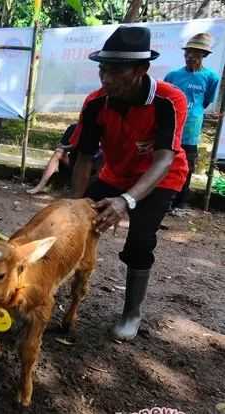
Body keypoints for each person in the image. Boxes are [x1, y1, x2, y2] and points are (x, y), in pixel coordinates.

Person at [70, 26, 188, 341]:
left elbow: (164, 159)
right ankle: (65, 296)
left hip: (161, 178)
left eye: (116, 71)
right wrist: (72, 206)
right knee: (71, 220)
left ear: (141, 70)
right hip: (115, 175)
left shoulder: (169, 99)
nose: (105, 78)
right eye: (102, 70)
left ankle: (132, 313)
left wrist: (125, 201)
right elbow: (83, 159)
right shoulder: (96, 103)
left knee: (139, 239)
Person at [164, 32, 220, 212]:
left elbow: (206, 101)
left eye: (195, 53)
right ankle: (164, 201)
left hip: (191, 129)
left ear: (204, 55)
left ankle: (180, 202)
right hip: (171, 127)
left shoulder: (211, 77)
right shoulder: (173, 76)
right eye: (187, 53)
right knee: (165, 163)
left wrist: (192, 112)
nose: (190, 57)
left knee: (186, 166)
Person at [28, 124, 103, 194]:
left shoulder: (102, 131)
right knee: (58, 152)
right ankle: (41, 185)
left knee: (101, 161)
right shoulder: (74, 128)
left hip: (94, 167)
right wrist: (62, 148)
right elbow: (64, 146)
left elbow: (74, 146)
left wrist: (64, 147)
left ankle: (83, 192)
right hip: (74, 164)